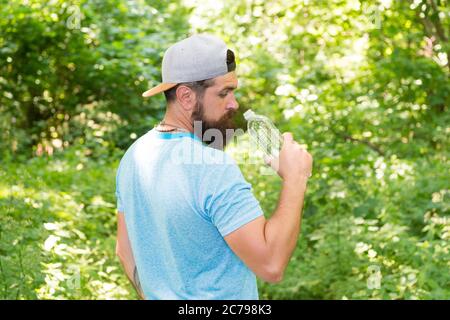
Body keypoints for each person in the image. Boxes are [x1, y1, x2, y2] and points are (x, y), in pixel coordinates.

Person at [115, 34, 313, 300]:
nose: (234, 104)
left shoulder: (134, 156)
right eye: (224, 93)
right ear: (186, 97)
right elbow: (271, 265)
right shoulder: (211, 166)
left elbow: (124, 252)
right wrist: (295, 178)